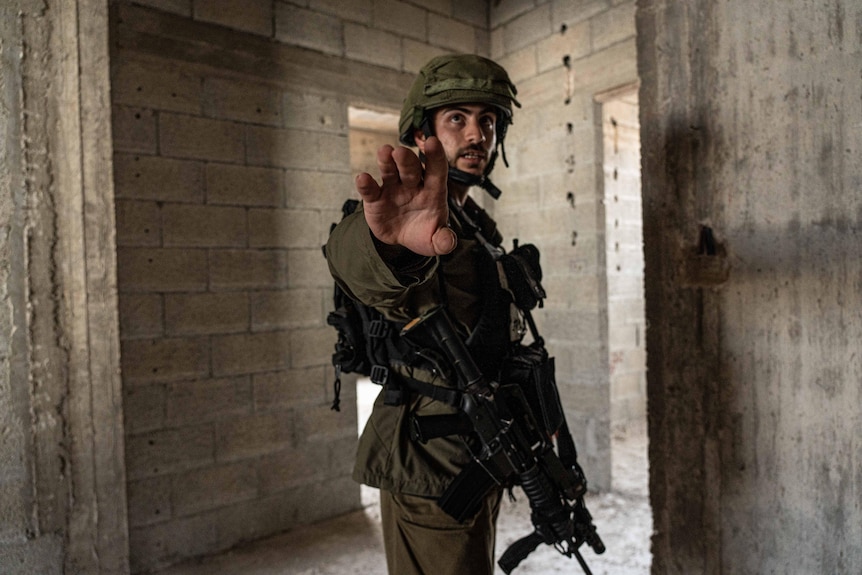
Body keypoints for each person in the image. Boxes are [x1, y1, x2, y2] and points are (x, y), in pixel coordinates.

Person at [325, 54, 526, 575]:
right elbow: (358, 261)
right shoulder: (407, 216)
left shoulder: (475, 224)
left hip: (479, 443)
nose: (476, 134)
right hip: (429, 456)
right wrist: (389, 246)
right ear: (422, 132)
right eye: (456, 118)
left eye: (487, 120)